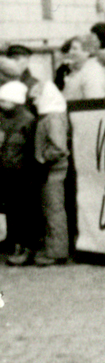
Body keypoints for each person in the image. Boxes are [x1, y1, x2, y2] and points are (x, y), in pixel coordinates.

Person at [0, 44, 70, 266]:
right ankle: (50, 248)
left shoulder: (47, 119)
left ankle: (55, 250)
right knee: (47, 209)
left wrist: (41, 157)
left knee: (52, 210)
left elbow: (57, 147)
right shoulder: (41, 118)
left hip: (46, 171)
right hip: (36, 170)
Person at [0, 80, 38, 262]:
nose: (1, 104)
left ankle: (24, 247)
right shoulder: (5, 118)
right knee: (12, 210)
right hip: (7, 172)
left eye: (4, 101)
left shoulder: (28, 120)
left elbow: (32, 149)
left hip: (22, 173)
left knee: (23, 211)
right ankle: (14, 243)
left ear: (14, 102)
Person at [59, 29, 105, 101]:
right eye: (70, 48)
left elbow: (94, 103)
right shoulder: (79, 70)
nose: (70, 52)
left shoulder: (93, 73)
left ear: (87, 51)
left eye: (74, 48)